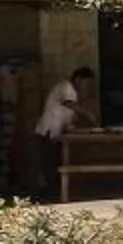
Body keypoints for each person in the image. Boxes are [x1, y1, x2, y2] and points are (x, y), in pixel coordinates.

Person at [34, 65, 94, 196]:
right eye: (87, 83)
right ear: (78, 79)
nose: (88, 87)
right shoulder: (66, 87)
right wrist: (88, 113)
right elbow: (69, 104)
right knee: (49, 162)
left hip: (57, 132)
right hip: (49, 131)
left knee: (56, 161)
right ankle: (49, 193)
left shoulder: (73, 92)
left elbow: (69, 114)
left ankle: (56, 190)